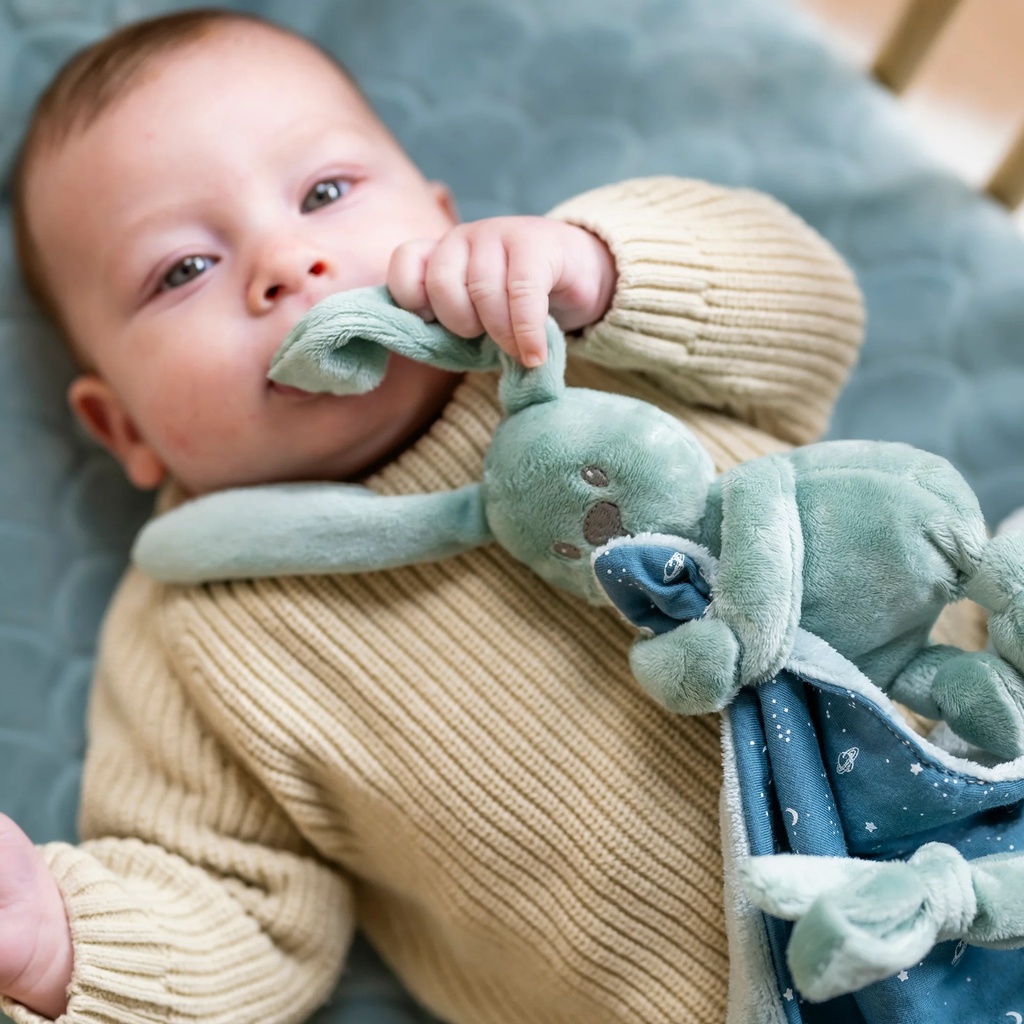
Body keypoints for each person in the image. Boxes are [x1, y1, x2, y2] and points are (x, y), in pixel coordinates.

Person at [0, 8, 868, 1023]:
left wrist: (601, 267)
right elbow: (238, 915)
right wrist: (62, 944)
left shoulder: (576, 339)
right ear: (123, 429)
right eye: (182, 270)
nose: (287, 263)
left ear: (442, 213)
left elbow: (812, 315)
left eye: (325, 193)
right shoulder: (192, 634)